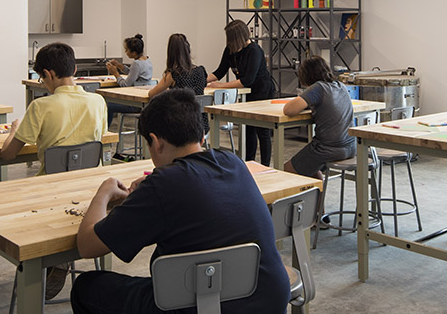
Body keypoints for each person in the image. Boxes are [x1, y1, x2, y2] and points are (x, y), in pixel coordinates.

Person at [70, 90, 289, 314]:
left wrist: (103, 193)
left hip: (202, 305)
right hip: (268, 300)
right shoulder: (233, 162)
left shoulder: (161, 187)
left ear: (156, 142)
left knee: (86, 288)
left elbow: (87, 246)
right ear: (202, 136)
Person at [2, 42, 108, 300]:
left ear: (48, 74)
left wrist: (16, 128)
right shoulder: (98, 101)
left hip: (49, 192)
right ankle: (67, 251)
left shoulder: (40, 107)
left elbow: (8, 154)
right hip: (90, 190)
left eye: (42, 78)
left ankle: (47, 256)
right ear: (73, 68)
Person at [208, 20, 276, 166]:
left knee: (262, 131)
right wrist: (202, 79)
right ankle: (248, 164)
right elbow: (219, 71)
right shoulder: (230, 50)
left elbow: (247, 80)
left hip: (262, 92)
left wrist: (221, 86)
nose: (229, 42)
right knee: (248, 129)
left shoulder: (255, 51)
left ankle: (265, 166)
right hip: (248, 94)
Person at [281, 55, 356, 177]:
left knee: (284, 171)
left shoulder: (319, 88)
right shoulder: (340, 85)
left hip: (328, 149)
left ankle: (305, 195)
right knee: (312, 169)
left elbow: (288, 110)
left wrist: (305, 98)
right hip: (350, 147)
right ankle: (316, 195)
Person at [148, 33, 208, 134]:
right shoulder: (201, 71)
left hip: (180, 125)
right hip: (201, 124)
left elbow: (152, 94)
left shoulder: (173, 74)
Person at [104, 35, 152, 131]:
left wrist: (115, 73)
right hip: (144, 102)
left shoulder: (136, 64)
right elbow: (133, 74)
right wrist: (119, 66)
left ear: (133, 53)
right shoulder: (146, 60)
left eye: (127, 50)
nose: (125, 52)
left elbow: (125, 84)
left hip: (135, 104)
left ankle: (104, 133)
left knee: (107, 105)